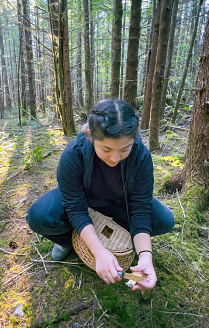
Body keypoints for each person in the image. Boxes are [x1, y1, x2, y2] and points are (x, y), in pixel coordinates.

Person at [26, 99, 175, 293]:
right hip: (84, 201)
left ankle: (119, 243)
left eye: (124, 149)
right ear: (90, 135)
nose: (115, 158)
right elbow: (75, 207)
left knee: (164, 219)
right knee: (39, 215)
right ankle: (68, 241)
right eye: (106, 149)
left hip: (122, 204)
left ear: (134, 139)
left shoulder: (141, 157)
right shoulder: (73, 154)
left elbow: (140, 208)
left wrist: (146, 255)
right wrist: (98, 252)